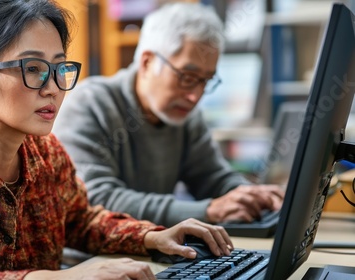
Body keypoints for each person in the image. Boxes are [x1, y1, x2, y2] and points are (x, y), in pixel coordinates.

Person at [0, 0, 234, 279]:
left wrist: (152, 237)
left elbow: (81, 220)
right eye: (32, 69)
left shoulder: (45, 153)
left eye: (60, 68)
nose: (53, 88)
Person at [52, 2, 285, 228]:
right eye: (186, 77)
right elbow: (96, 199)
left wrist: (249, 195)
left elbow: (213, 178)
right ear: (147, 62)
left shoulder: (184, 116)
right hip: (90, 262)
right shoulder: (90, 104)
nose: (195, 96)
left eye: (205, 81)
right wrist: (208, 211)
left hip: (151, 251)